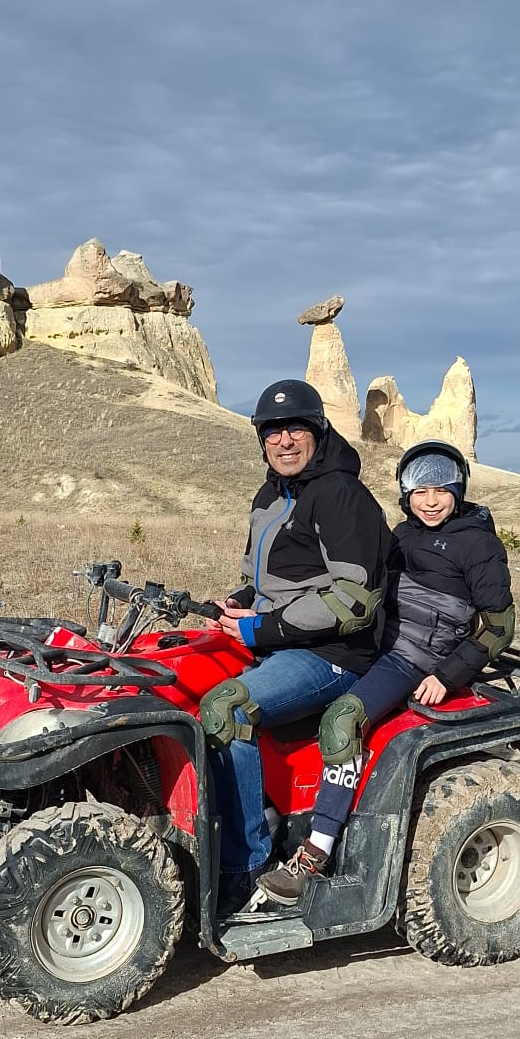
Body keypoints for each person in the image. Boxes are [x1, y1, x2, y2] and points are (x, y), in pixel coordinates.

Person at [254, 438, 516, 906]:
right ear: (405, 495)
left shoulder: (479, 544)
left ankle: (315, 853)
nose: (430, 501)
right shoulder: (402, 534)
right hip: (374, 645)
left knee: (342, 720)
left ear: (458, 490)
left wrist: (447, 675)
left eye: (441, 490)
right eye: (419, 492)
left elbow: (498, 628)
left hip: (413, 659)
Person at [202, 378, 391, 908]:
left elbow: (354, 599)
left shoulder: (341, 496)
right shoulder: (271, 494)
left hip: (335, 655)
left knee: (226, 709)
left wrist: (260, 628)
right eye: (272, 432)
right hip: (280, 641)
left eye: (295, 429)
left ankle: (245, 865)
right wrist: (237, 602)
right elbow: (264, 580)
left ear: (318, 432)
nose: (284, 441)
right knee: (173, 681)